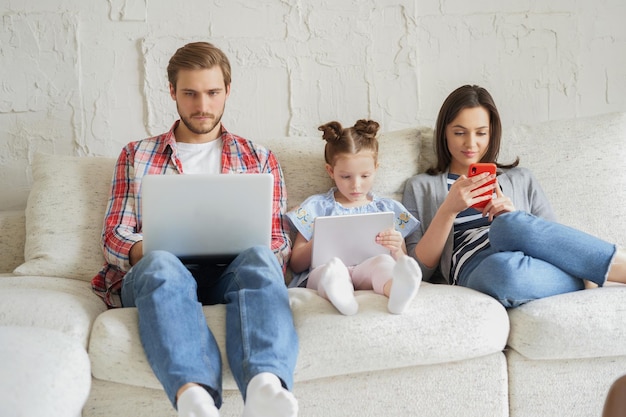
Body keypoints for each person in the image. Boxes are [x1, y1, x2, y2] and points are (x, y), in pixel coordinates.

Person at [91, 42, 299, 417]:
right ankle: (193, 395)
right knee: (160, 263)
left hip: (229, 275)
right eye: (190, 93)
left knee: (260, 258)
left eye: (212, 92)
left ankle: (265, 386)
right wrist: (151, 248)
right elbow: (114, 235)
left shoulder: (260, 157)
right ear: (172, 92)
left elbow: (278, 241)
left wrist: (259, 249)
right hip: (161, 277)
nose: (202, 105)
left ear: (227, 91)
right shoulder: (136, 155)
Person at [402, 84, 626, 308]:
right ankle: (588, 276)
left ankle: (619, 267)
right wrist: (448, 210)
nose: (470, 143)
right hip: (479, 267)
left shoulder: (522, 179)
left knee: (506, 225)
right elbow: (417, 269)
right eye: (459, 132)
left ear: (492, 133)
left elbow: (558, 243)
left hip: (529, 255)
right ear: (444, 133)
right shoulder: (420, 187)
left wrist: (515, 216)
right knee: (504, 270)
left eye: (481, 133)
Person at [286, 119, 422, 316]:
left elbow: (401, 259)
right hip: (325, 269)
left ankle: (397, 292)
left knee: (383, 264)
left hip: (368, 269)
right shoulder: (316, 207)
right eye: (346, 177)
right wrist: (319, 240)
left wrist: (397, 247)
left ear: (376, 168)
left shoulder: (387, 209)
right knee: (332, 271)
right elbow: (296, 264)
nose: (356, 185)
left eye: (365, 176)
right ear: (331, 171)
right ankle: (340, 294)